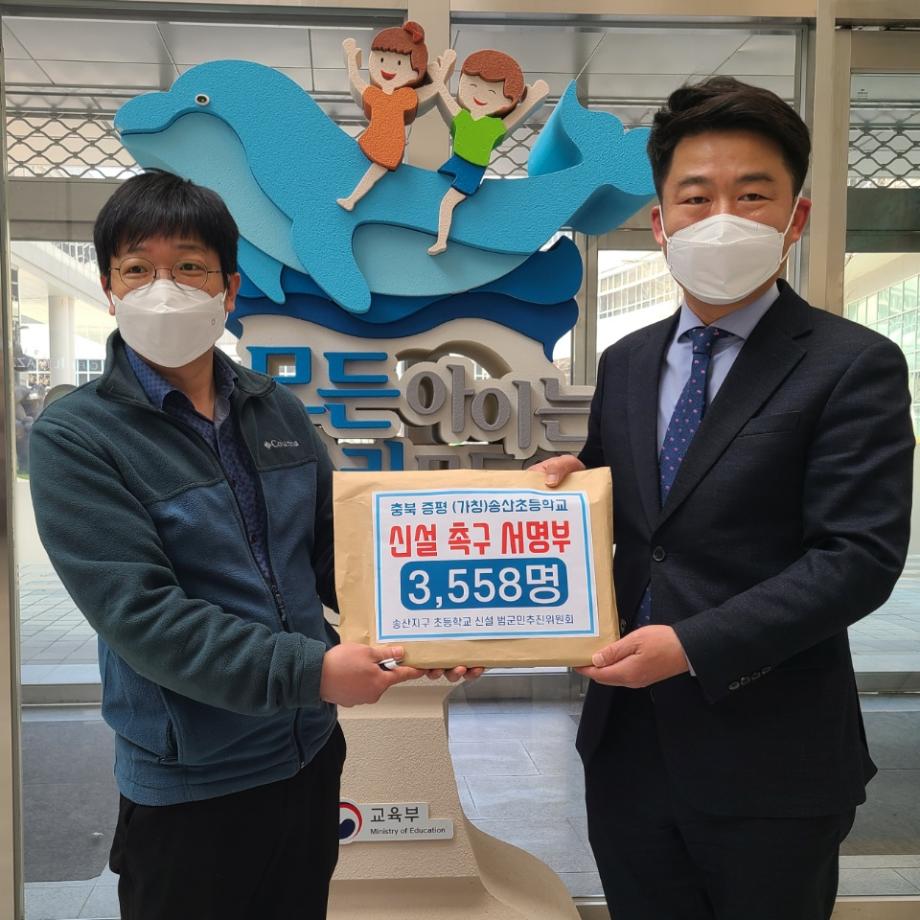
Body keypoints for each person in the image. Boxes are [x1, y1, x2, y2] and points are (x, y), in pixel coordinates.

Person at [29, 171, 480, 920]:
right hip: (191, 786)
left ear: (228, 289)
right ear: (108, 289)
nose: (163, 289)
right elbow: (143, 619)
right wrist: (315, 671)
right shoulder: (77, 436)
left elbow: (340, 556)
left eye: (190, 267)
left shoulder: (275, 409)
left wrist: (439, 624)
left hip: (307, 756)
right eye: (137, 269)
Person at [533, 76, 914, 920]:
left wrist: (692, 646)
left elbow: (858, 558)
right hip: (626, 746)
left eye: (751, 195)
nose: (722, 218)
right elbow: (632, 507)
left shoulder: (853, 364)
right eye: (696, 197)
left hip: (772, 755)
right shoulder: (627, 361)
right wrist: (559, 491)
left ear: (795, 219)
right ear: (660, 222)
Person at [426, 47, 548, 254]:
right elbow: (445, 97)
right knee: (438, 193)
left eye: (492, 92)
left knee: (447, 203)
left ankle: (442, 241)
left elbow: (516, 117)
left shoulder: (494, 128)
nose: (480, 95)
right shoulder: (463, 119)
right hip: (457, 163)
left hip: (472, 171)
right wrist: (440, 78)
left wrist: (532, 101)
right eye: (472, 85)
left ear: (508, 101)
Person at [337, 21, 442, 212]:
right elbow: (356, 81)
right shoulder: (375, 94)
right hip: (372, 139)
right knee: (366, 167)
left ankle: (352, 199)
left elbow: (429, 92)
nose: (388, 68)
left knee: (375, 171)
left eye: (400, 63)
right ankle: (352, 199)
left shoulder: (405, 97)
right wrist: (351, 60)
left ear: (417, 72)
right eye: (382, 60)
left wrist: (441, 75)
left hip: (390, 144)